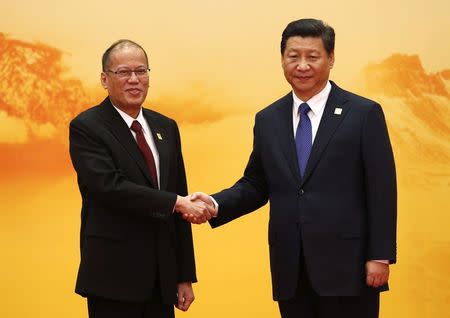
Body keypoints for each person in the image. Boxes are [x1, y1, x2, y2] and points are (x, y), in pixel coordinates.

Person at [190, 19, 397, 318]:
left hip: (348, 268)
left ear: (331, 58)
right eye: (293, 56)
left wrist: (380, 255)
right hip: (291, 269)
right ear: (282, 59)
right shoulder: (268, 119)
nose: (302, 65)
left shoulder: (363, 113)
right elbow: (257, 183)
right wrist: (214, 203)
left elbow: (381, 189)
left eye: (312, 57)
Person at [69, 39, 212, 318]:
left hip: (161, 280)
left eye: (141, 71)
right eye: (123, 72)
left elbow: (178, 194)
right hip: (113, 278)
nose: (134, 80)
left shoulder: (165, 127)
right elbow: (110, 188)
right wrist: (178, 203)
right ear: (104, 79)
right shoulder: (87, 127)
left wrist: (184, 275)